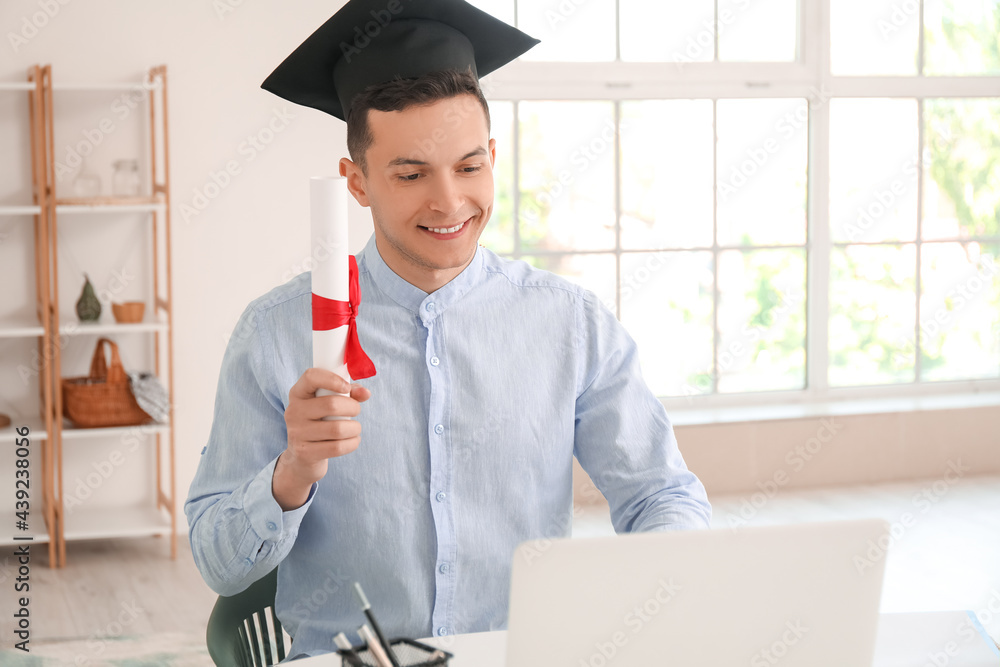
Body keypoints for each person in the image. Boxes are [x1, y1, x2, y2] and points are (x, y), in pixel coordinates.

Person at [185, 0, 712, 660]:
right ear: (357, 183)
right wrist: (292, 472)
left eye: (469, 166)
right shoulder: (276, 334)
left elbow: (662, 493)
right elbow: (218, 563)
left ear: (492, 155)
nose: (450, 202)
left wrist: (654, 581)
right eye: (410, 174)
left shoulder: (569, 325)